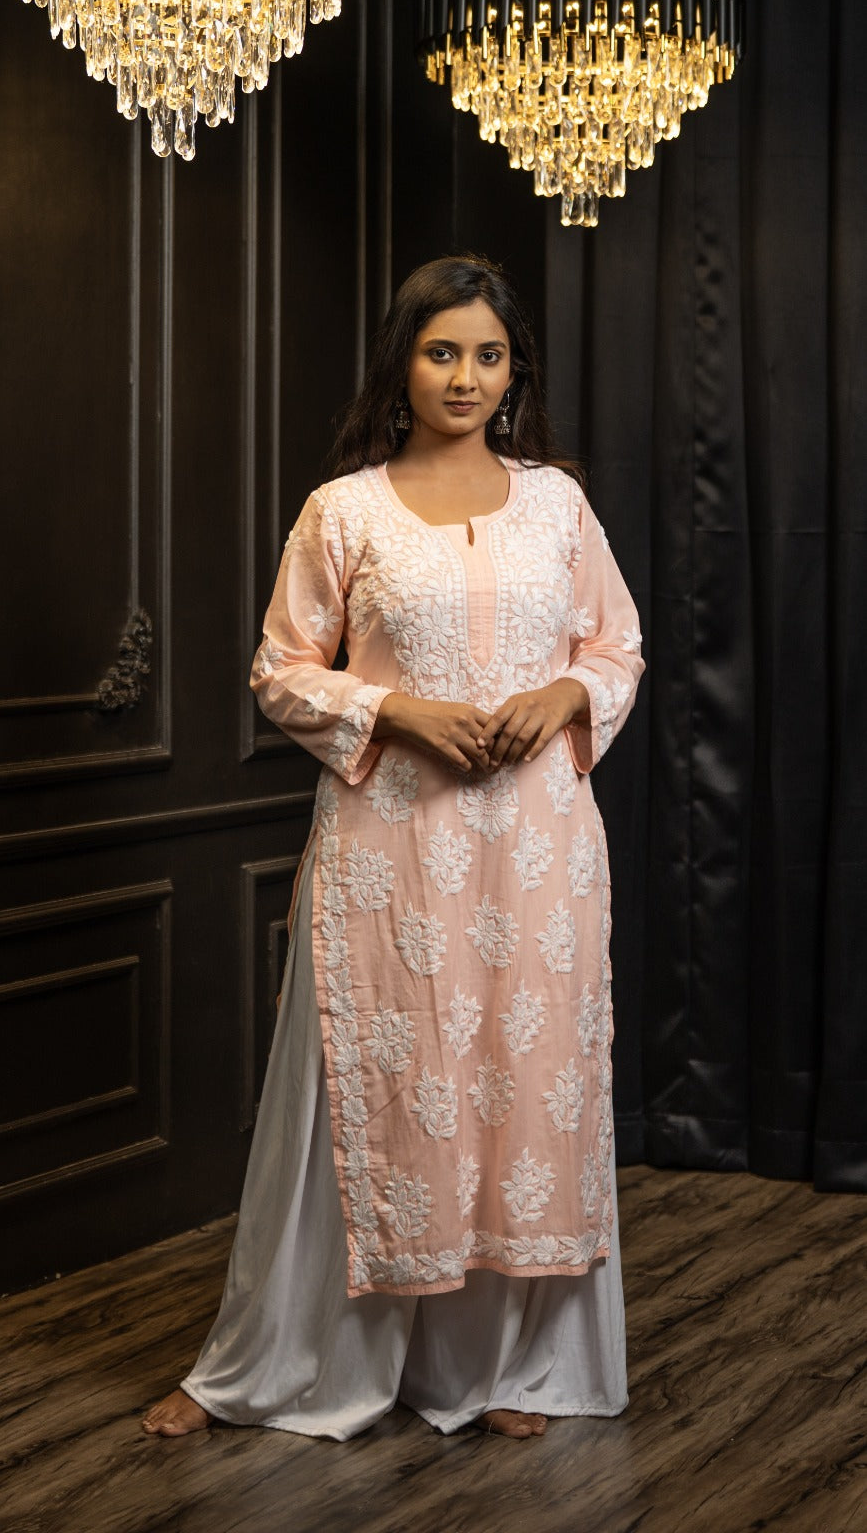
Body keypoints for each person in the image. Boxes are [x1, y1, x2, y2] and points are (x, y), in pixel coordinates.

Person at [143, 254, 644, 1443]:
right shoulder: (345, 511)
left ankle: (499, 1365)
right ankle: (274, 1364)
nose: (465, 377)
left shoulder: (558, 506)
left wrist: (565, 694)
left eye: (489, 355)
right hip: (392, 852)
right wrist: (396, 711)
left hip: (536, 852)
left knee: (519, 1091)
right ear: (402, 363)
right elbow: (281, 670)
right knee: (385, 1088)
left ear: (515, 372)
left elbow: (617, 646)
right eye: (441, 351)